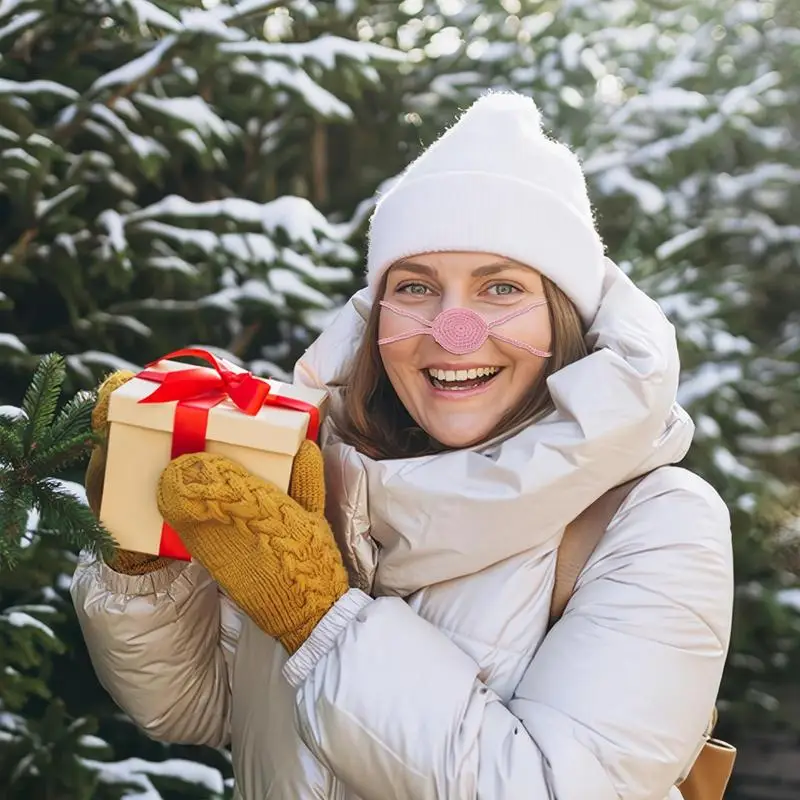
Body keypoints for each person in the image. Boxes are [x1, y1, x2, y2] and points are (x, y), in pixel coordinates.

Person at [71, 92, 734, 800]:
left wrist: (323, 623)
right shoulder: (317, 478)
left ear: (563, 320)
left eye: (501, 287)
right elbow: (198, 709)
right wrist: (142, 557)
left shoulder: (657, 521)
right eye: (416, 287)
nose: (453, 329)